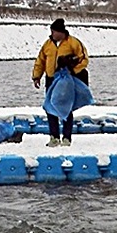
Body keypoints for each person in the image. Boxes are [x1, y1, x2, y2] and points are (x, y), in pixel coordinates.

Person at [31, 18, 90, 147]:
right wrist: (37, 76)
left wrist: (72, 70)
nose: (51, 34)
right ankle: (54, 137)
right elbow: (40, 60)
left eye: (53, 31)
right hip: (51, 79)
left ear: (60, 32)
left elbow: (84, 59)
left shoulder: (73, 43)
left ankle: (67, 138)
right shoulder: (48, 44)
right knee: (50, 107)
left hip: (65, 80)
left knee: (65, 107)